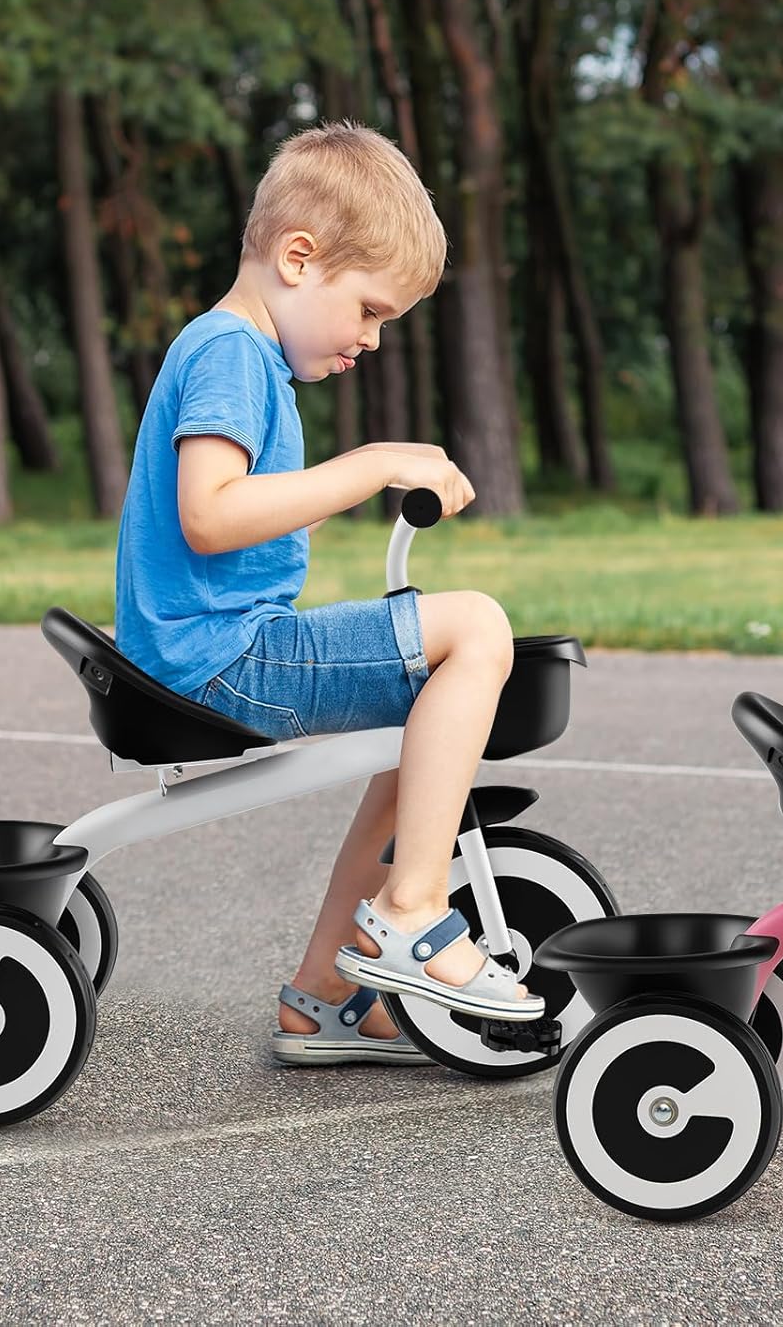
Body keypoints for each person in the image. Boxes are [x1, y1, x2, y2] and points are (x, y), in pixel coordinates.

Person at [114, 121, 542, 1069]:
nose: (373, 340)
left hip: (222, 644)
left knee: (426, 735)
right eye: (370, 310)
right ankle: (411, 907)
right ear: (298, 259)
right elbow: (210, 516)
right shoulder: (230, 353)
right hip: (222, 656)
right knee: (475, 627)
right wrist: (375, 462)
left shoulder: (243, 356)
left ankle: (328, 994)